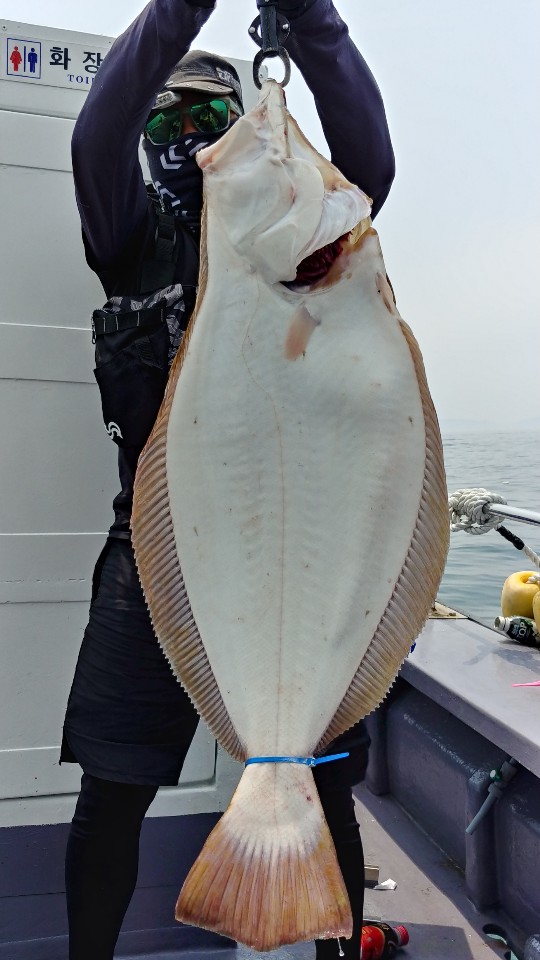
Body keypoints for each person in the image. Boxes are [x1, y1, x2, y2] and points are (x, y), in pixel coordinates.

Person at [61, 1, 395, 958]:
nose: (187, 139)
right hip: (160, 558)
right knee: (113, 792)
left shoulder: (315, 239)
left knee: (325, 789)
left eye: (209, 119)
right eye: (164, 122)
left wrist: (313, 24)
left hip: (308, 559)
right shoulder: (129, 235)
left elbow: (369, 165)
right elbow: (96, 137)